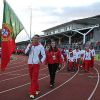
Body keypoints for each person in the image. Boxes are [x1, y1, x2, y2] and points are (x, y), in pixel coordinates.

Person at [25, 34, 46, 99]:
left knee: (34, 78)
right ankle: (37, 89)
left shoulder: (40, 46)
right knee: (32, 78)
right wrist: (29, 47)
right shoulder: (29, 45)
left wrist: (41, 60)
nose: (35, 39)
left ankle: (32, 92)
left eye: (37, 38)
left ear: (38, 39)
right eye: (34, 38)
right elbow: (26, 53)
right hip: (30, 63)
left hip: (36, 64)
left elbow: (44, 55)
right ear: (32, 39)